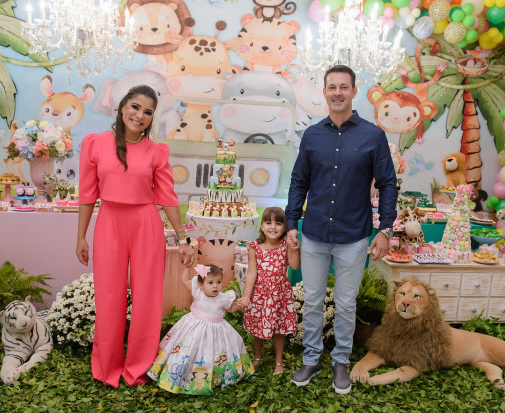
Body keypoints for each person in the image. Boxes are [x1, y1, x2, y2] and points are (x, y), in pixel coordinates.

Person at [285, 65, 397, 394]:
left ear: (353, 91)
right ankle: (311, 358)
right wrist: (291, 222)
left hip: (353, 236)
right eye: (332, 87)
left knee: (347, 305)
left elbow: (388, 183)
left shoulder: (373, 136)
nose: (337, 92)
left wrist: (385, 229)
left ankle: (341, 361)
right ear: (324, 92)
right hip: (314, 234)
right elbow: (299, 181)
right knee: (313, 301)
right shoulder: (312, 135)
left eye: (343, 87)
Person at [76, 85, 195, 388]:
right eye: (135, 107)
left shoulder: (157, 151)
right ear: (122, 107)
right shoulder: (94, 144)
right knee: (109, 297)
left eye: (148, 112)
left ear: (152, 118)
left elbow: (168, 198)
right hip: (109, 223)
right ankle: (108, 366)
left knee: (147, 300)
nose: (140, 115)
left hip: (146, 224)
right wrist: (81, 237)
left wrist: (183, 238)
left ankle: (138, 367)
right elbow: (87, 195)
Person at [148, 264, 254, 395]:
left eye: (218, 282)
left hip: (216, 331)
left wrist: (238, 305)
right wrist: (187, 267)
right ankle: (183, 375)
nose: (215, 286)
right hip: (195, 329)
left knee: (217, 353)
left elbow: (231, 308)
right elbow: (184, 281)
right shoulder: (198, 292)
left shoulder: (223, 297)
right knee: (188, 350)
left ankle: (217, 376)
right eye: (210, 283)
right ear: (200, 284)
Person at [241, 207, 300, 375]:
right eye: (268, 223)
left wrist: (294, 248)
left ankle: (279, 362)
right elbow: (251, 273)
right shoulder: (255, 247)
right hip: (259, 295)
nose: (273, 227)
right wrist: (246, 296)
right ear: (262, 226)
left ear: (284, 227)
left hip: (279, 295)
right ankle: (257, 357)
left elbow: (294, 265)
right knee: (257, 327)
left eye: (278, 223)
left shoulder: (285, 245)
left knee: (278, 330)